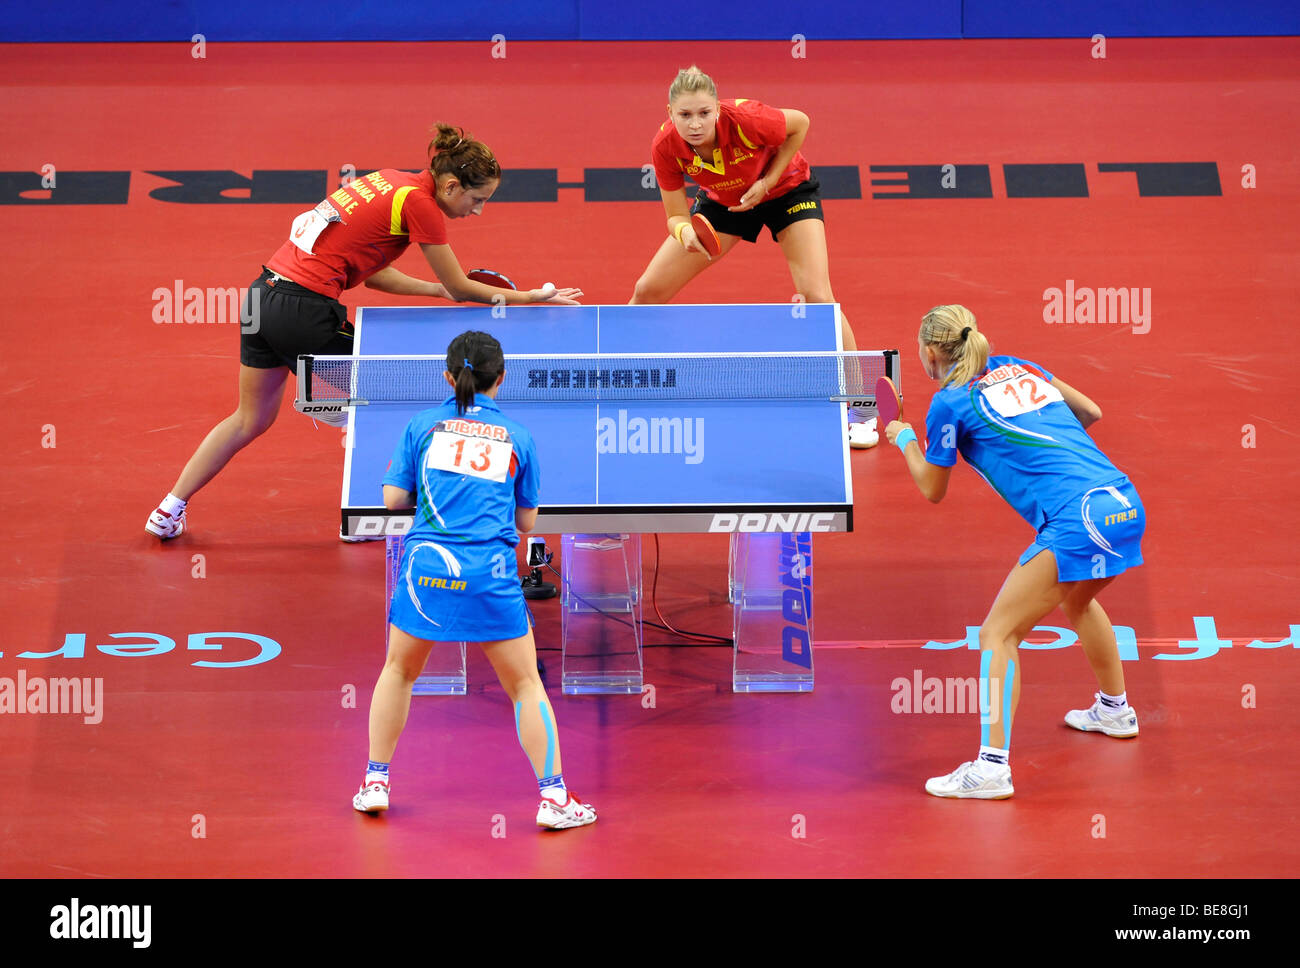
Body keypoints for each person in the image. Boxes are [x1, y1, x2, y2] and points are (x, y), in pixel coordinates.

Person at [145, 124, 582, 539]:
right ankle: (364, 516)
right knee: (384, 403)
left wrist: (440, 291)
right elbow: (461, 286)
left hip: (263, 298)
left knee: (249, 419)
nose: (478, 210)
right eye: (477, 199)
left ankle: (168, 510)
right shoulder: (421, 204)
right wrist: (530, 297)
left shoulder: (388, 180)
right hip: (306, 311)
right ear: (451, 186)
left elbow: (374, 276)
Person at [882, 305, 1145, 799]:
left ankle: (991, 768)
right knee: (1077, 601)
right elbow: (1091, 412)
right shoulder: (1020, 366)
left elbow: (932, 489)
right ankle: (1115, 709)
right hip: (1123, 502)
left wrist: (904, 439)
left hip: (1076, 520)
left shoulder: (949, 403)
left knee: (997, 634)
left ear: (931, 351)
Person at [353, 330, 596, 828]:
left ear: (447, 376)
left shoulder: (422, 425)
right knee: (526, 684)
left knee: (399, 671)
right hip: (492, 574)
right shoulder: (518, 437)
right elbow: (526, 524)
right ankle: (554, 800)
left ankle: (376, 781)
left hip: (428, 570)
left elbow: (393, 501)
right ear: (501, 378)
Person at [631, 66, 875, 447]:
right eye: (684, 115)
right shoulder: (665, 146)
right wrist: (685, 234)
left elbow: (801, 123)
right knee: (646, 290)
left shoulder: (748, 119)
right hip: (723, 204)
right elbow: (675, 214)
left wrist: (769, 180)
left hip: (787, 192)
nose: (695, 124)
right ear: (669, 112)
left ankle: (863, 405)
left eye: (703, 113)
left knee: (817, 298)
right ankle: (623, 377)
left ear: (717, 109)